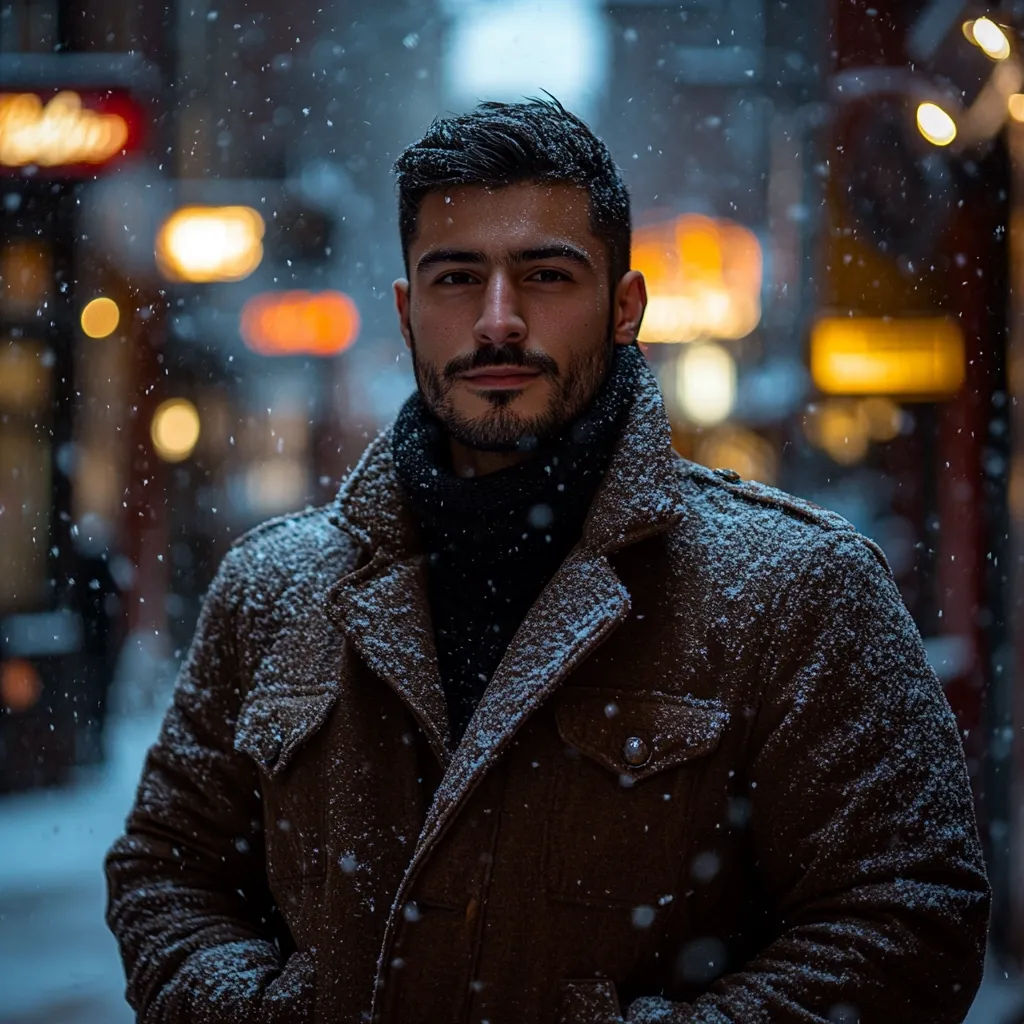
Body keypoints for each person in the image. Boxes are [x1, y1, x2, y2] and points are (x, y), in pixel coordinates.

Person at [105, 97, 989, 1024]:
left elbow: (908, 915)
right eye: (456, 278)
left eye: (546, 275)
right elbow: (167, 872)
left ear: (625, 307)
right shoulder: (273, 590)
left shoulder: (798, 590)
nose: (498, 321)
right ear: (406, 312)